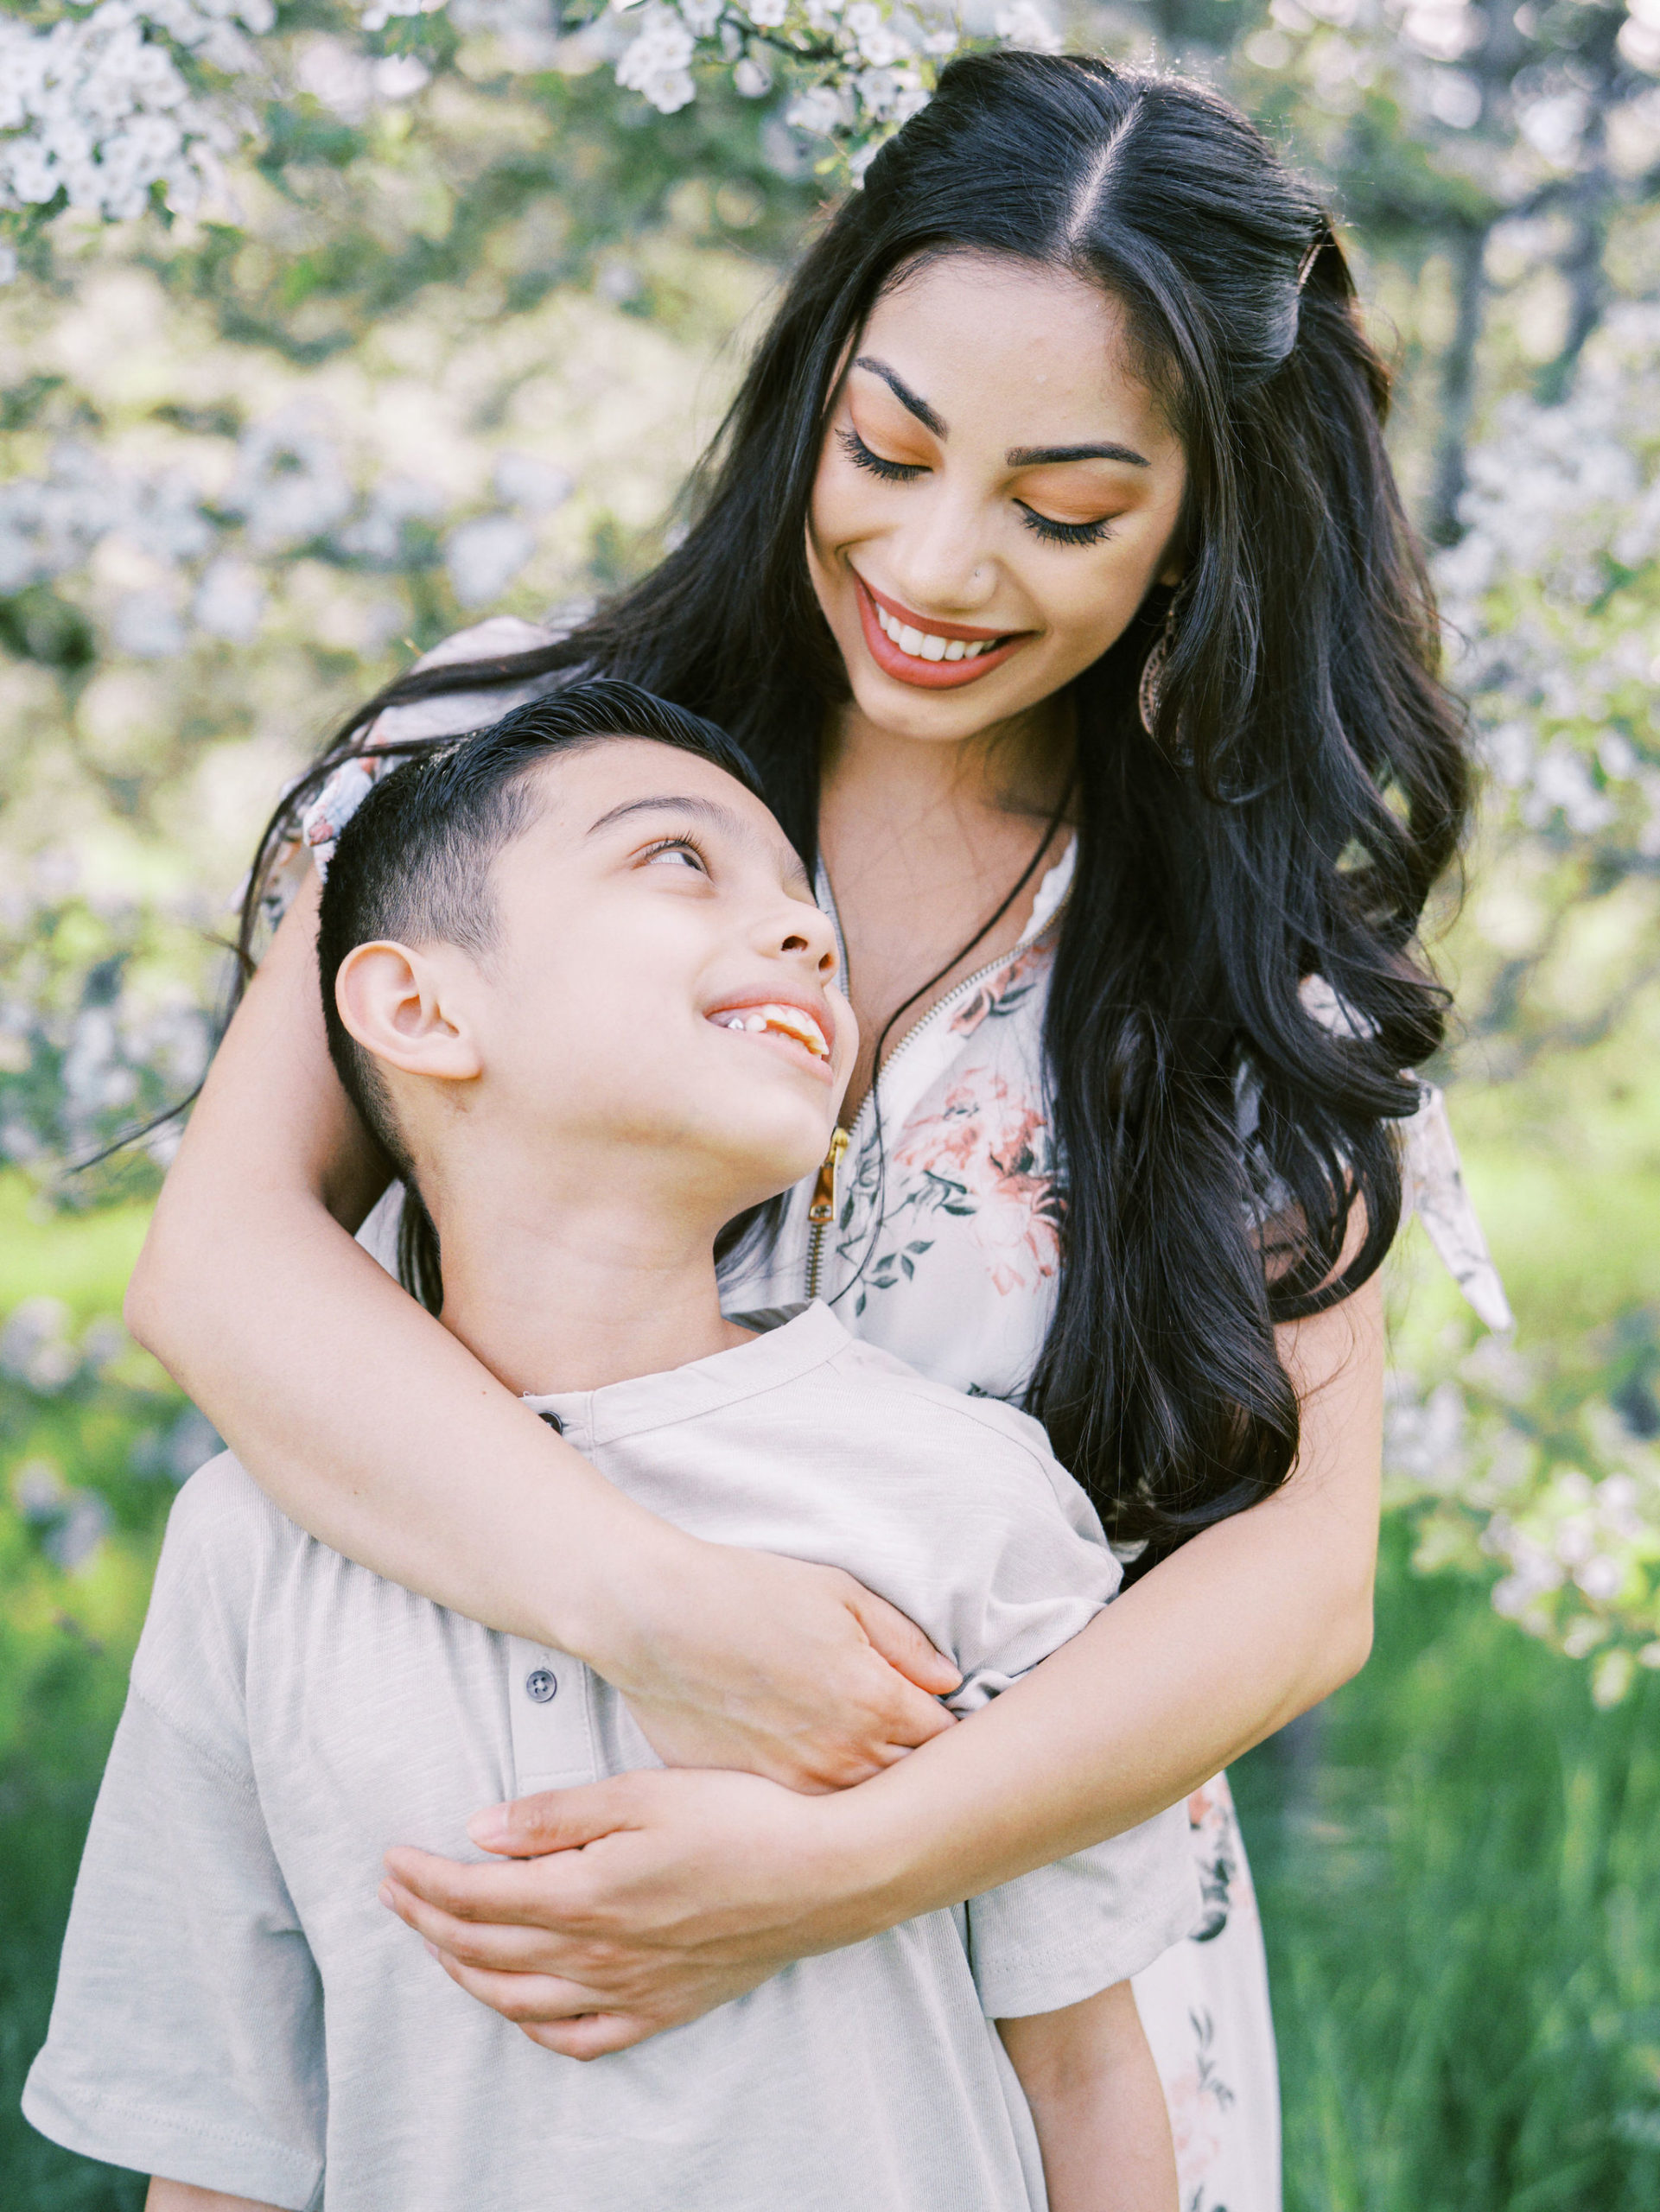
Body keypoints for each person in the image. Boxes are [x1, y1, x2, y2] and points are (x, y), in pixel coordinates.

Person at [120, 53, 1510, 2212]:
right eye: (888, 447)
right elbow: (225, 1271)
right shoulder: (503, 762)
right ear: (815, 383)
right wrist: (655, 1613)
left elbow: (1296, 1585)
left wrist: (836, 1862)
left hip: (1022, 2035)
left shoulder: (1248, 958)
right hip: (502, 2006)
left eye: (1065, 509)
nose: (937, 561)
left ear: (1202, 520)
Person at [27, 686, 1199, 2212]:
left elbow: (1084, 2077)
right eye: (677, 863)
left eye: (806, 903)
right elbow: (220, 2142)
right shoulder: (249, 1548)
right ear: (419, 1009)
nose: (805, 935)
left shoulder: (964, 1495)